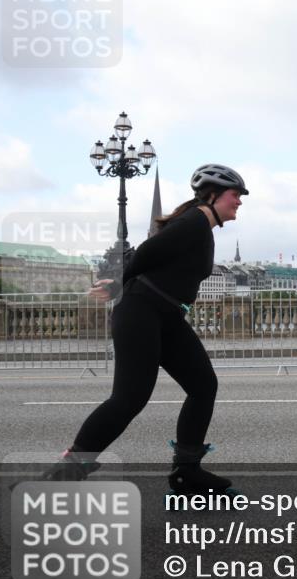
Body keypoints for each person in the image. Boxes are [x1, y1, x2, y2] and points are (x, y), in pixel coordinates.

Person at [43, 164, 248, 496]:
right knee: (129, 398)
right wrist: (116, 286)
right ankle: (64, 473)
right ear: (213, 196)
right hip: (141, 311)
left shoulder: (201, 226)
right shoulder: (194, 220)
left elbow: (156, 257)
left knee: (203, 385)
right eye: (234, 195)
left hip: (165, 315)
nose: (239, 201)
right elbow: (147, 252)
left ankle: (187, 473)